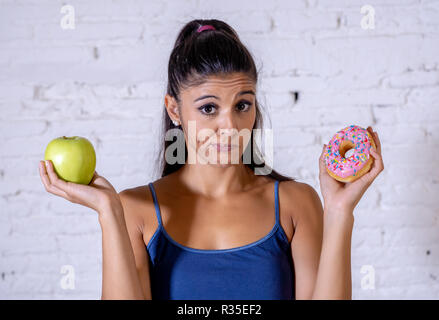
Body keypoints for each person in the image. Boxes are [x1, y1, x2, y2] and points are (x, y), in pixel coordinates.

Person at [38, 19, 384, 300]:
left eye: (242, 105)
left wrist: (339, 212)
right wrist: (109, 213)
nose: (229, 125)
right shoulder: (134, 209)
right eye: (208, 108)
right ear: (174, 109)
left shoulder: (295, 202)